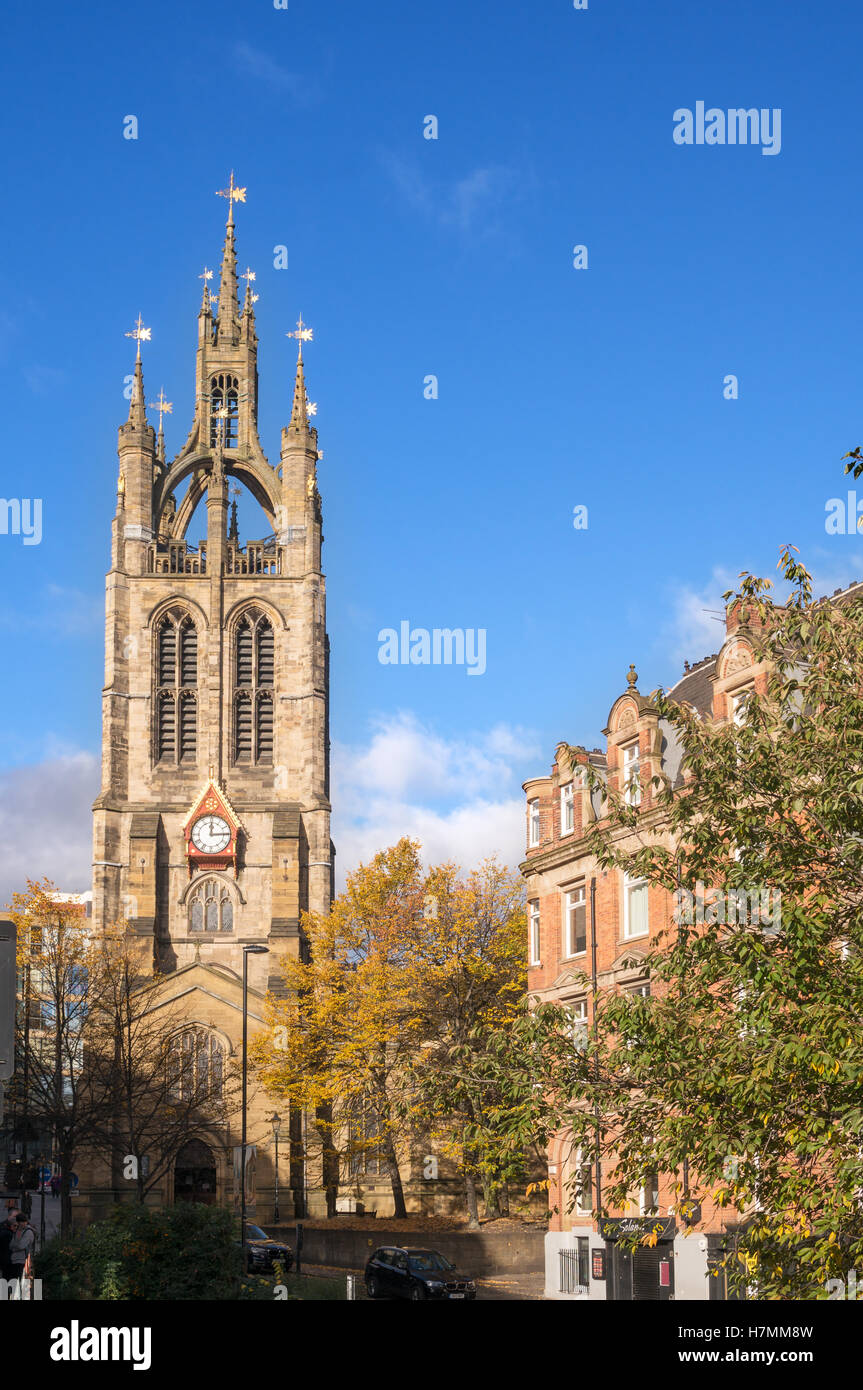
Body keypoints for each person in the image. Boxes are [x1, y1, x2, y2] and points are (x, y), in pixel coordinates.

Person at [9, 1213, 36, 1288]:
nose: (23, 1224)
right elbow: (11, 1245)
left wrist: (15, 1247)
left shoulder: (28, 1232)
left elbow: (21, 1245)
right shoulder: (17, 1231)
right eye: (21, 1223)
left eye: (25, 1222)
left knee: (22, 1283)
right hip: (14, 1260)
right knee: (14, 1283)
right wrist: (15, 1247)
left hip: (23, 1261)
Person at [0, 1212, 16, 1281]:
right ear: (11, 1226)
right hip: (6, 1260)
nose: (16, 1227)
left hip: (4, 1259)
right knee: (7, 1277)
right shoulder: (9, 1234)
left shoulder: (4, 1230)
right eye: (15, 1226)